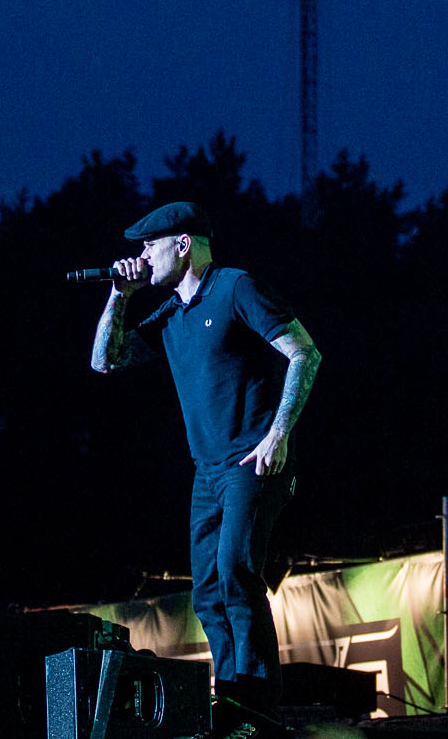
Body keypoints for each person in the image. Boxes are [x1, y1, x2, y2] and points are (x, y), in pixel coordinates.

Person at [89, 201, 321, 712]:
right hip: (207, 472)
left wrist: (278, 433)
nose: (143, 257)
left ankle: (259, 701)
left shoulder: (235, 287)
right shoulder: (171, 314)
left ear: (183, 244)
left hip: (252, 461)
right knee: (209, 591)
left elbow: (305, 352)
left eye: (150, 246)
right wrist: (118, 294)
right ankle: (234, 699)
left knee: (236, 570)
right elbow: (104, 361)